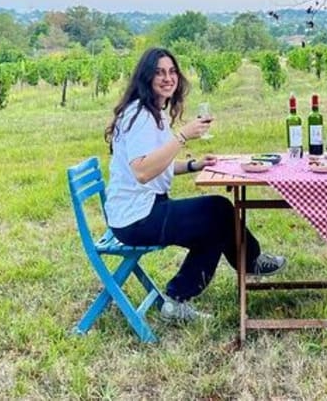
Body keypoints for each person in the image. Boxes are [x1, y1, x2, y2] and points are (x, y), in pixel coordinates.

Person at [104, 47, 286, 323]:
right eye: (159, 73)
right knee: (218, 210)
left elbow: (156, 164)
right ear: (146, 78)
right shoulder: (140, 116)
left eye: (172, 71)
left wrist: (193, 165)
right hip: (136, 218)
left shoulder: (152, 112)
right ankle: (250, 263)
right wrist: (182, 137)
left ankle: (178, 299)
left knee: (214, 225)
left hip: (141, 210)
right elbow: (142, 172)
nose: (168, 78)